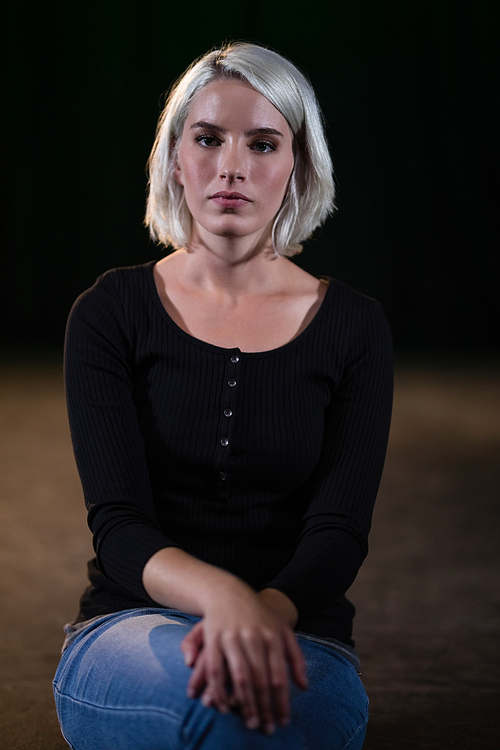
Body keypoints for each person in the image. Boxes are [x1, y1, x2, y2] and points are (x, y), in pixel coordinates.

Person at [52, 42, 393, 750]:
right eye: (207, 139)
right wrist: (223, 600)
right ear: (174, 158)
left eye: (263, 143)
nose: (231, 166)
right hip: (131, 629)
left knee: (260, 720)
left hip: (299, 635)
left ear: (296, 164)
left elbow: (338, 532)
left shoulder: (356, 327)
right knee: (215, 713)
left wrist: (263, 612)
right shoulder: (109, 312)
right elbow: (119, 529)